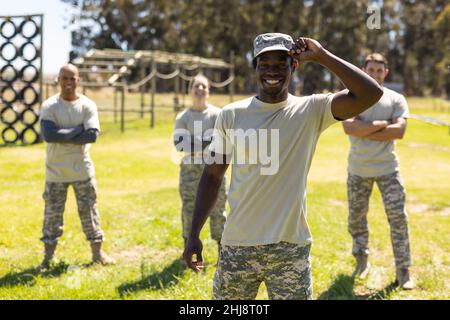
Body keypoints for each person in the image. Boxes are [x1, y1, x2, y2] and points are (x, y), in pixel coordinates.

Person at [183, 33, 383, 300]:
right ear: (255, 67)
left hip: (290, 249)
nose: (272, 71)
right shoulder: (231, 115)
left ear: (294, 66)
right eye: (264, 64)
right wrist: (194, 233)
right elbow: (212, 175)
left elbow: (371, 93)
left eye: (281, 64)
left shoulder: (312, 110)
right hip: (238, 246)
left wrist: (322, 56)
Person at [342, 53, 414, 289]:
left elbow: (399, 132)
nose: (374, 74)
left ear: (386, 72)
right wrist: (384, 124)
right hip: (358, 170)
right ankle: (362, 262)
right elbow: (349, 127)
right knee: (356, 219)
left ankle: (403, 271)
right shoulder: (352, 97)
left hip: (388, 169)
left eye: (378, 70)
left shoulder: (395, 98)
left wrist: (365, 128)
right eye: (370, 70)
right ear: (363, 70)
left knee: (398, 219)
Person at [38, 64, 115, 270]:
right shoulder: (49, 106)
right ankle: (48, 258)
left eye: (72, 78)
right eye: (65, 78)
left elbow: (92, 136)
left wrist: (64, 133)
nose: (68, 83)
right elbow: (49, 135)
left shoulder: (87, 105)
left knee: (89, 212)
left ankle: (98, 254)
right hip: (55, 172)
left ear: (78, 80)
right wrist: (77, 130)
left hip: (82, 170)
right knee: (52, 216)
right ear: (58, 80)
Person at [173, 74, 227, 256]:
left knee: (218, 209)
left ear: (208, 91)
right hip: (190, 170)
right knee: (189, 209)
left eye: (204, 86)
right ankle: (189, 247)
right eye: (196, 86)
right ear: (190, 91)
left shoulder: (218, 115)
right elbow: (180, 144)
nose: (200, 90)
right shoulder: (183, 117)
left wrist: (194, 142)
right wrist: (207, 141)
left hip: (215, 169)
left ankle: (223, 250)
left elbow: (222, 141)